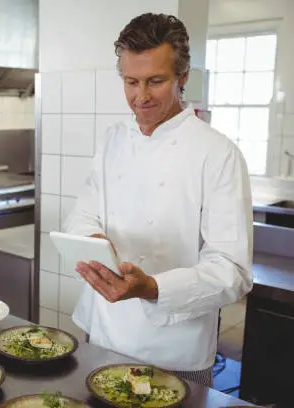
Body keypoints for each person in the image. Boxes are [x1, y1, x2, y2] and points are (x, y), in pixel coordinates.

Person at [64, 13, 253, 386]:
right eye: (131, 82)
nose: (141, 96)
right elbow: (82, 217)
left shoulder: (218, 153)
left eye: (156, 81)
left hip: (174, 350)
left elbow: (233, 271)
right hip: (102, 335)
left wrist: (151, 287)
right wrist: (96, 246)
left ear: (183, 78)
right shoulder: (113, 140)